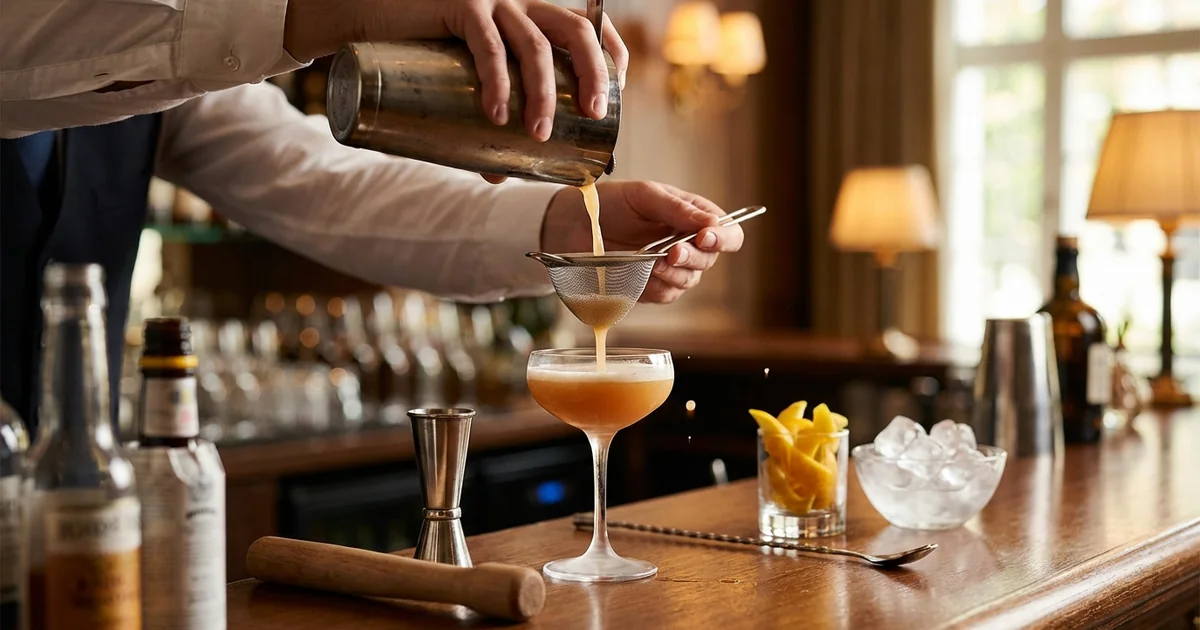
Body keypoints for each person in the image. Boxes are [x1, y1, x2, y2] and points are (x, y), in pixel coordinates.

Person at [0, 0, 745, 433]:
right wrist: (336, 8)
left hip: (69, 500)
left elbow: (322, 183)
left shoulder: (171, 70)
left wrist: (563, 225)